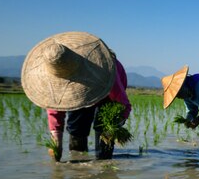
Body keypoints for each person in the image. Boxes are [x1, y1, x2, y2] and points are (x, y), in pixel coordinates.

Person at [21, 31, 131, 161]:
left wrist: (113, 127)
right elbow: (55, 109)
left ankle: (104, 164)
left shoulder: (106, 71)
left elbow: (123, 105)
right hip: (76, 97)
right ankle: (78, 161)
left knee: (104, 130)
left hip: (107, 96)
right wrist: (56, 141)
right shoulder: (56, 82)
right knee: (76, 128)